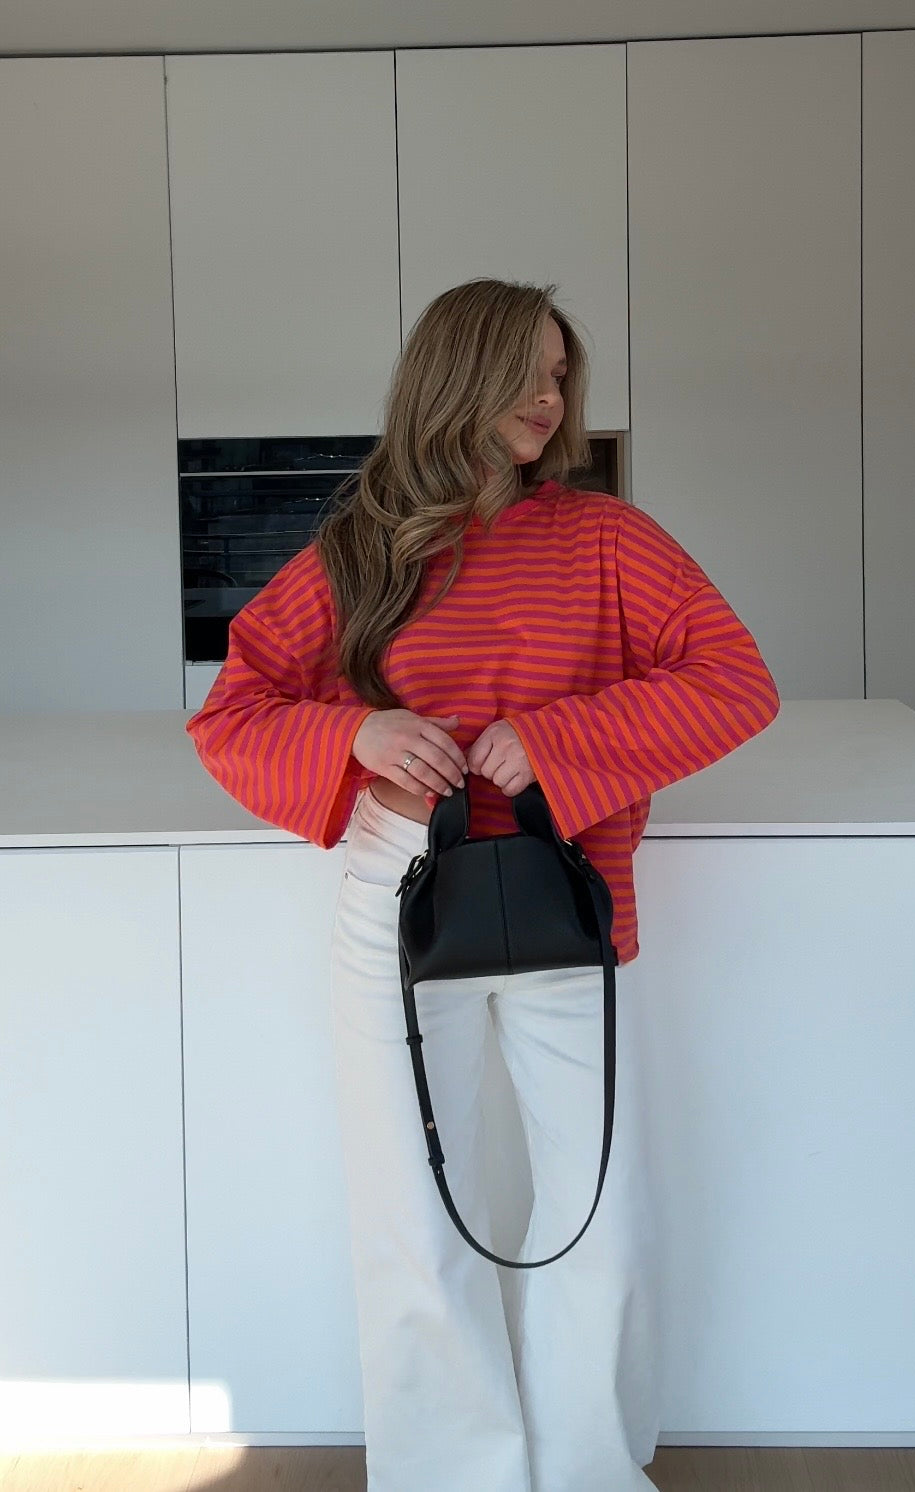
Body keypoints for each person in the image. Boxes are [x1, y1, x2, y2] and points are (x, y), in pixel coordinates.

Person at [185, 277, 781, 1492]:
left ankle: (589, 1470)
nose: (549, 398)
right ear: (457, 374)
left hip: (565, 889)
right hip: (398, 898)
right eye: (526, 371)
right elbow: (232, 713)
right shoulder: (359, 549)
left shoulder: (607, 538)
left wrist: (555, 741)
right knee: (411, 1211)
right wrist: (357, 735)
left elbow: (734, 681)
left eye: (560, 375)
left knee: (600, 1208)